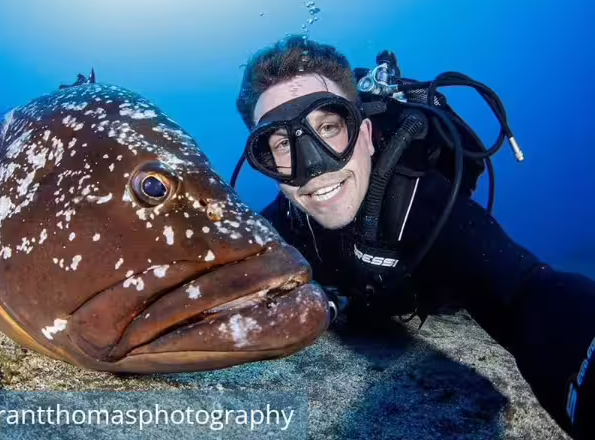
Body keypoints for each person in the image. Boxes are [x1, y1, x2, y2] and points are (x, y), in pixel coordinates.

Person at [231, 35, 594, 439]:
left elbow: (527, 294)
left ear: (365, 135)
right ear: (264, 165)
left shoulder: (424, 205)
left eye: (330, 126)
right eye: (282, 143)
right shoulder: (280, 227)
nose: (313, 167)